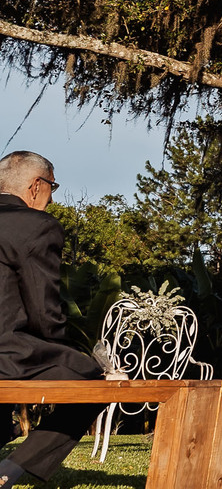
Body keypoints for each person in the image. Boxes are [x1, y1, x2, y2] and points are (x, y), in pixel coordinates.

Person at [0, 151, 103, 486]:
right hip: (7, 353)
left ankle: (5, 427)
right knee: (92, 378)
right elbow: (45, 313)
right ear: (35, 186)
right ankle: (9, 471)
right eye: (53, 187)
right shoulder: (35, 226)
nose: (51, 196)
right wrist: (64, 347)